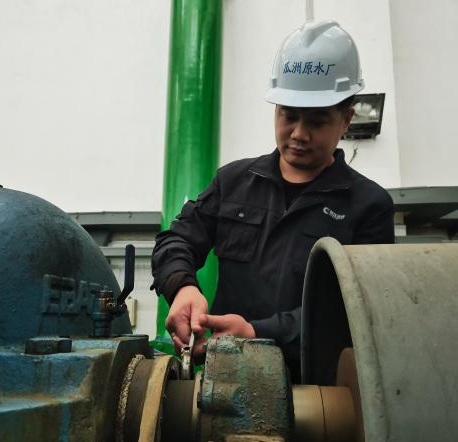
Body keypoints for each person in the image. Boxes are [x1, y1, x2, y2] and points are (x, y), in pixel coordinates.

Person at [151, 20, 395, 381]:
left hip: (319, 391)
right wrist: (182, 286)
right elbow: (176, 240)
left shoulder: (368, 206)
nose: (298, 134)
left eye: (317, 121)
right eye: (288, 116)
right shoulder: (233, 182)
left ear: (346, 119)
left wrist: (257, 333)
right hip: (225, 380)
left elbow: (359, 309)